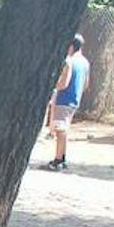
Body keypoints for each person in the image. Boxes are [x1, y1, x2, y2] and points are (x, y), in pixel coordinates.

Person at [40, 34, 90, 172]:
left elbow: (64, 83)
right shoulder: (85, 62)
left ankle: (58, 160)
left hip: (64, 99)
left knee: (60, 130)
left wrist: (53, 86)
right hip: (75, 100)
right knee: (64, 129)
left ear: (71, 46)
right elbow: (86, 84)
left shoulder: (69, 61)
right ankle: (62, 158)